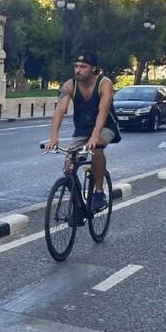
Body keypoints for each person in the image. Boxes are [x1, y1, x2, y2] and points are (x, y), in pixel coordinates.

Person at [43, 50, 121, 212]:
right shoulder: (70, 85)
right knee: (68, 168)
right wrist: (54, 137)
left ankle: (98, 192)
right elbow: (60, 110)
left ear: (93, 68)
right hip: (82, 129)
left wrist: (94, 137)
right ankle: (79, 207)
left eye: (83, 67)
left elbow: (103, 111)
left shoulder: (104, 83)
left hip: (106, 125)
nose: (78, 70)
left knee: (97, 148)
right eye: (76, 66)